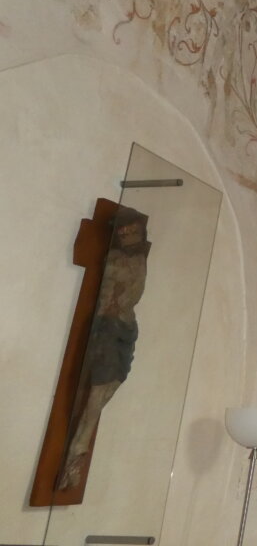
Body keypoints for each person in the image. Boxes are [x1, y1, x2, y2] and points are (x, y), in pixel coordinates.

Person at [58, 206, 151, 489]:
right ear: (118, 235)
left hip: (127, 327)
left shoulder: (141, 258)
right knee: (98, 389)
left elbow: (134, 292)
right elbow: (112, 290)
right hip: (107, 327)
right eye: (125, 232)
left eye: (134, 231)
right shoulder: (114, 258)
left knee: (116, 381)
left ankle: (80, 442)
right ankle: (76, 453)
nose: (130, 235)